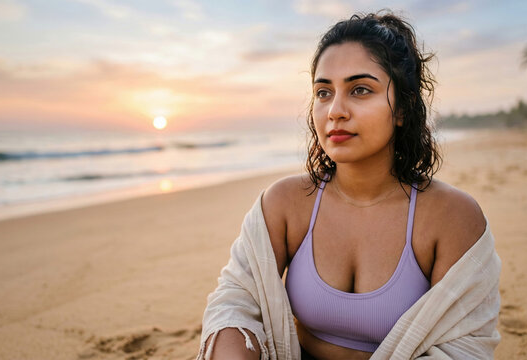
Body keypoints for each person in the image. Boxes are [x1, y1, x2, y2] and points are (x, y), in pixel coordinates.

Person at [198, 11, 501, 360]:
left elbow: (464, 346)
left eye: (360, 90)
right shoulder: (286, 203)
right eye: (323, 92)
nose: (335, 111)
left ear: (402, 107)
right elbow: (235, 300)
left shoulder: (450, 217)